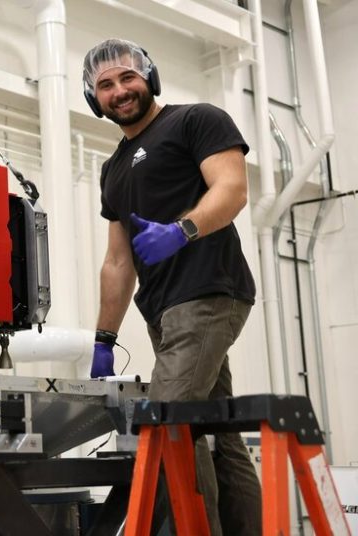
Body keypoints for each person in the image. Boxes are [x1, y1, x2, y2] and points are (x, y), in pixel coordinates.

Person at [83, 39, 261, 535]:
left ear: (150, 78)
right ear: (92, 98)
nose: (119, 90)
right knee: (218, 435)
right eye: (105, 84)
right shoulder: (112, 170)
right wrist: (103, 339)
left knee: (166, 426)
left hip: (206, 293)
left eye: (128, 78)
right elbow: (118, 262)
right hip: (163, 313)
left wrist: (183, 230)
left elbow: (232, 190)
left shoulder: (195, 120)